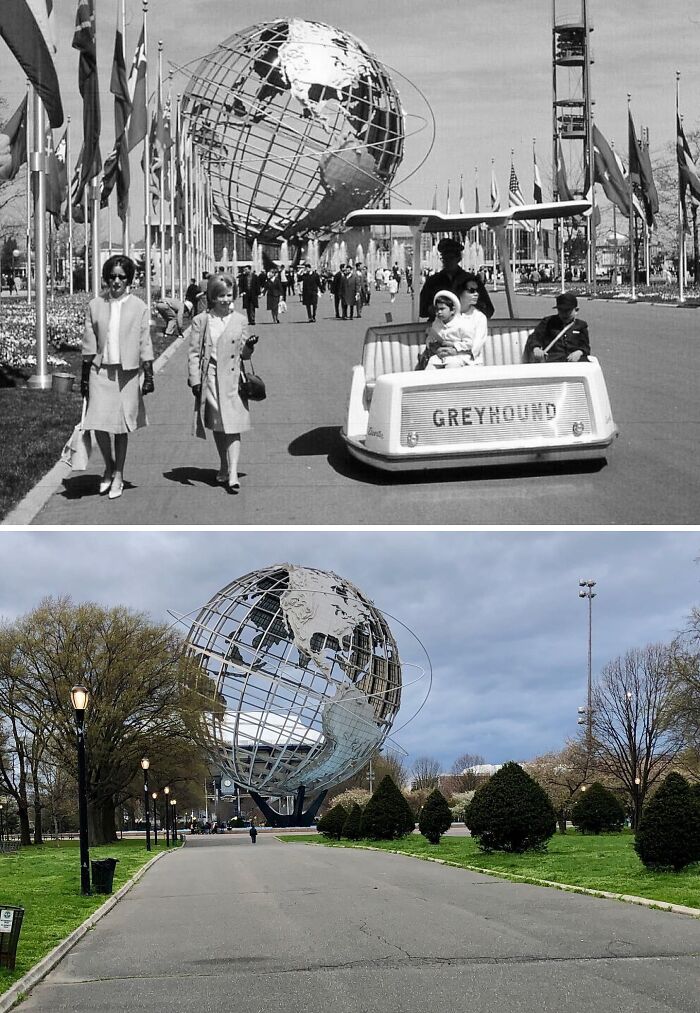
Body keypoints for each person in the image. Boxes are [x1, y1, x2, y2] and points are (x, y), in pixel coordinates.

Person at [81, 254, 153, 500]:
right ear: (106, 278)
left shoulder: (139, 307)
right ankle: (109, 465)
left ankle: (119, 474)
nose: (116, 281)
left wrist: (149, 372)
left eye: (122, 277)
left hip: (127, 374)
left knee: (121, 427)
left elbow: (145, 340)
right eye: (112, 276)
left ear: (129, 279)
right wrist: (84, 376)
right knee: (98, 423)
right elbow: (89, 343)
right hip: (100, 372)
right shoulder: (95, 305)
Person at [188, 273, 257, 493]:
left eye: (229, 295)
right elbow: (194, 353)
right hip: (210, 378)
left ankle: (234, 471)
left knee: (233, 425)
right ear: (212, 297)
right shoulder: (202, 320)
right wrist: (194, 379)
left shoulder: (240, 320)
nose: (226, 300)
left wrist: (250, 346)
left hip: (233, 379)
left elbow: (245, 356)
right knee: (218, 425)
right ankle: (224, 465)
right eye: (221, 296)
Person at [419, 236, 495, 320]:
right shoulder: (433, 281)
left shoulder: (471, 280)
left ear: (458, 258)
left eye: (451, 258)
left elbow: (488, 309)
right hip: (439, 328)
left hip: (465, 328)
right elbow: (421, 309)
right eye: (444, 258)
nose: (447, 261)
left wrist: (468, 309)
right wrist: (434, 309)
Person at [420, 289, 487, 369]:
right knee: (430, 366)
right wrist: (436, 348)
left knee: (452, 365)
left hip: (460, 356)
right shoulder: (436, 324)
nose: (439, 312)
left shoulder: (462, 324)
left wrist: (455, 346)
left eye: (442, 309)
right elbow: (431, 339)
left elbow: (469, 343)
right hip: (441, 355)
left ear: (452, 310)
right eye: (437, 309)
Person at [524, 291, 590, 363]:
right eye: (561, 310)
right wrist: (536, 348)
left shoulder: (581, 325)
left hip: (575, 362)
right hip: (553, 361)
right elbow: (535, 337)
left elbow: (585, 346)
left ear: (576, 310)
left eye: (568, 311)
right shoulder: (548, 322)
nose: (564, 314)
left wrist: (579, 352)